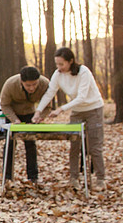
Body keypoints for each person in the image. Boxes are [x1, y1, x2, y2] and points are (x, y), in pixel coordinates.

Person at [32, 47, 106, 190]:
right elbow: (49, 93)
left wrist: (61, 109)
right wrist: (38, 111)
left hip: (94, 109)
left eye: (62, 64)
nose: (59, 67)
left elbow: (82, 97)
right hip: (77, 112)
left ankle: (100, 179)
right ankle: (74, 178)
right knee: (74, 145)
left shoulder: (84, 72)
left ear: (71, 61)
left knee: (94, 147)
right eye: (57, 64)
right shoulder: (57, 74)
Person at [0, 66, 51, 182]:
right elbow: (4, 105)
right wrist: (15, 120)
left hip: (31, 114)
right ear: (21, 82)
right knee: (10, 144)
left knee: (30, 144)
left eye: (34, 84)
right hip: (12, 114)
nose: (32, 88)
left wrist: (40, 117)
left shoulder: (45, 84)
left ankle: (33, 177)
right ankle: (7, 177)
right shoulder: (10, 84)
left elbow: (48, 106)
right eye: (28, 85)